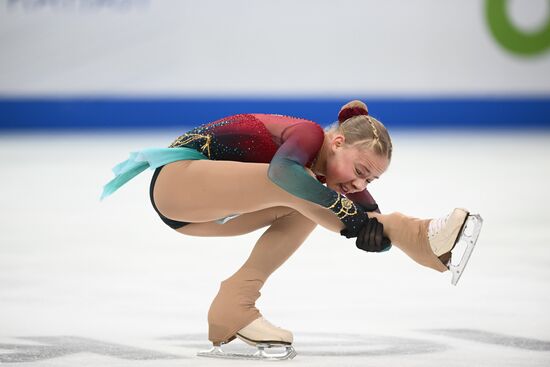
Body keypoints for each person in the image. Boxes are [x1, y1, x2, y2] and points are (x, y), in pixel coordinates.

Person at [100, 100, 482, 360]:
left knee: (305, 205)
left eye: (370, 180)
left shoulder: (331, 176)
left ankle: (235, 302)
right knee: (296, 186)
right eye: (360, 171)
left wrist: (374, 239)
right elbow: (281, 173)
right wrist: (358, 219)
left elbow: (368, 224)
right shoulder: (308, 134)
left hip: (207, 216)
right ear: (336, 142)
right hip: (176, 185)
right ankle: (420, 238)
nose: (359, 184)